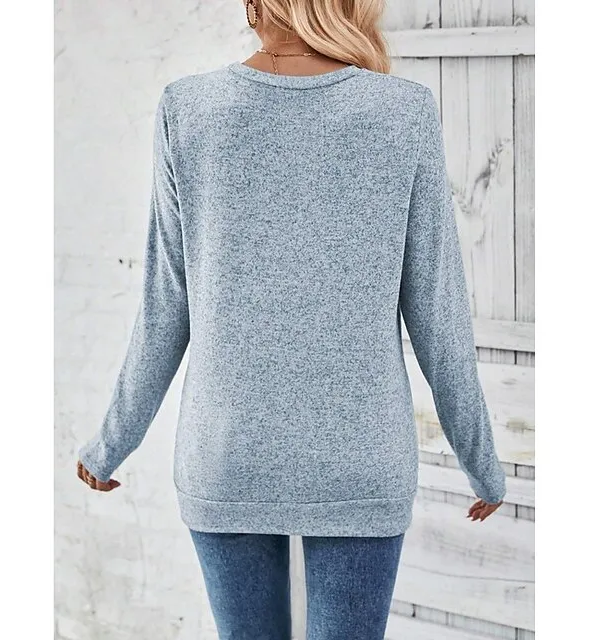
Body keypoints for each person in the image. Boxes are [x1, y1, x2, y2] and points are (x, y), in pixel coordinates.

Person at [76, 0, 506, 637]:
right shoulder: (402, 111)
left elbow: (166, 307)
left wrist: (109, 446)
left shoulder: (189, 109)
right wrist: (482, 463)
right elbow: (438, 315)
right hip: (361, 458)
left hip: (226, 454)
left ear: (254, 6)